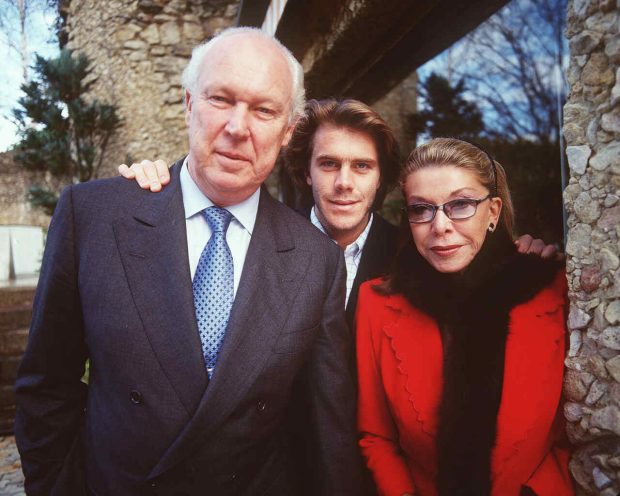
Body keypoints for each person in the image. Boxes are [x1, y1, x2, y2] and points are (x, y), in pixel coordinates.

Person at [15, 27, 362, 495]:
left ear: (287, 132)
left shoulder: (316, 259)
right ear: (188, 104)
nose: (238, 127)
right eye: (221, 99)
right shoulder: (95, 216)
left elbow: (327, 426)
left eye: (263, 110)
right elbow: (46, 386)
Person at [119, 98, 556, 328]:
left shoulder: (414, 249)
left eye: (361, 166)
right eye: (329, 164)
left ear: (380, 177)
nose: (344, 182)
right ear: (306, 173)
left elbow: (474, 269)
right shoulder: (254, 237)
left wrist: (516, 257)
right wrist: (160, 183)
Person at [355, 137, 573, 496]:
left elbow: (576, 433)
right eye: (421, 209)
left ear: (493, 212)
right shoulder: (377, 302)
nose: (439, 225)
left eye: (460, 205)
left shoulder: (553, 291)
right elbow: (376, 436)